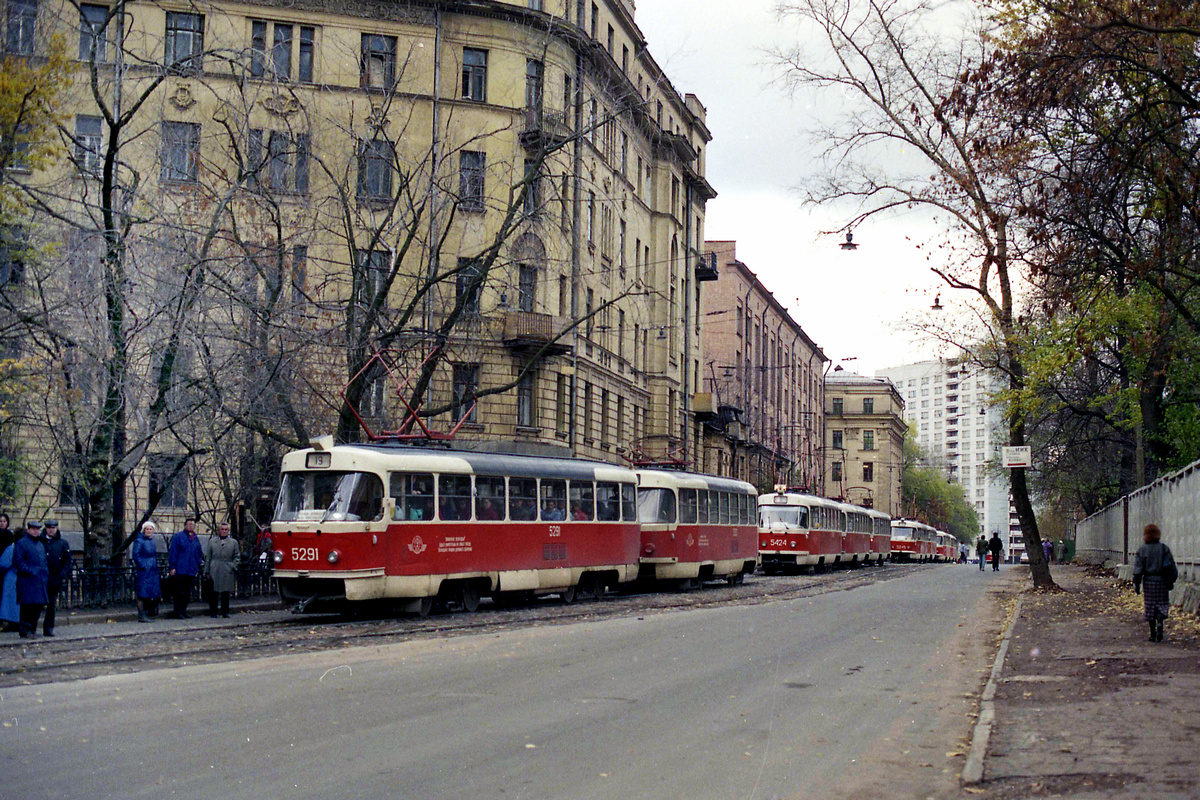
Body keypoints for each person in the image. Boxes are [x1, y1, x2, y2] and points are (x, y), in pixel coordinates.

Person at [1132, 523, 1178, 643]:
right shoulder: (1164, 548)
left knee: (1150, 605)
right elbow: (1171, 566)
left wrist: (1136, 584)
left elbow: (1138, 569)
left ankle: (1152, 633)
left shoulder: (1142, 550)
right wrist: (1171, 580)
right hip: (1162, 581)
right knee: (1162, 603)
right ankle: (1160, 622)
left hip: (1149, 581)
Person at [13, 520, 48, 638]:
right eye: (33, 529)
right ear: (29, 530)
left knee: (37, 606)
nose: (36, 531)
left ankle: (32, 629)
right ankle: (25, 629)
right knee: (27, 606)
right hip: (27, 580)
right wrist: (30, 571)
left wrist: (44, 574)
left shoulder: (40, 544)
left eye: (37, 529)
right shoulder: (22, 543)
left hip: (39, 581)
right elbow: (18, 562)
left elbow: (43, 562)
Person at [167, 517, 204, 619]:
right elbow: (173, 552)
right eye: (189, 524)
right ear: (185, 525)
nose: (191, 526)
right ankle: (177, 611)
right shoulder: (178, 537)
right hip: (180, 569)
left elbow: (198, 552)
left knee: (187, 592)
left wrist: (199, 563)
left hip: (191, 569)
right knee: (179, 592)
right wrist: (172, 566)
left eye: (192, 524)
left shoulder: (195, 537)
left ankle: (184, 610)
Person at [41, 520, 71, 637]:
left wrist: (61, 575)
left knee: (51, 605)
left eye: (53, 528)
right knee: (36, 605)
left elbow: (67, 561)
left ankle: (48, 628)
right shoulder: (40, 542)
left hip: (55, 578)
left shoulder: (62, 543)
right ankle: (30, 628)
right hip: (41, 578)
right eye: (49, 528)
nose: (51, 530)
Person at [205, 522, 240, 618]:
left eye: (226, 530)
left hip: (227, 568)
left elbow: (237, 557)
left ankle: (225, 611)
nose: (224, 531)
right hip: (215, 567)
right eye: (222, 529)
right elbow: (208, 557)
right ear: (219, 530)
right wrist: (207, 570)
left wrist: (232, 566)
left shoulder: (233, 542)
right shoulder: (212, 541)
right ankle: (213, 611)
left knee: (225, 592)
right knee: (214, 592)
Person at [131, 521, 162, 623]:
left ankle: (149, 612)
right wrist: (143, 566)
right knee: (142, 593)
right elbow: (136, 555)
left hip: (152, 570)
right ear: (144, 530)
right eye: (147, 529)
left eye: (151, 529)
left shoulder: (152, 541)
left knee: (150, 592)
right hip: (144, 571)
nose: (149, 531)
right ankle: (142, 615)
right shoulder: (139, 541)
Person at [0, 538, 17, 631]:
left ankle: (12, 623)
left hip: (12, 577)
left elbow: (3, 563)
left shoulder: (12, 548)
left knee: (10, 602)